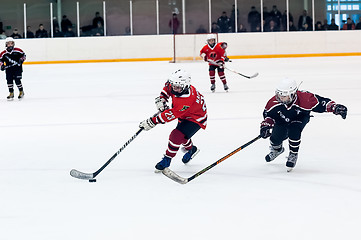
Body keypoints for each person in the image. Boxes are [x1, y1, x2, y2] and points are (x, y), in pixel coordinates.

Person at [260, 78, 347, 171]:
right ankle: (277, 150)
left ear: (292, 94)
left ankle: (293, 154)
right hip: (282, 120)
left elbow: (322, 103)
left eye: (284, 96)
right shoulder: (273, 102)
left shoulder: (306, 99)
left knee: (294, 131)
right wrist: (265, 126)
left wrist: (335, 107)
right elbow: (268, 115)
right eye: (279, 95)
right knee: (275, 138)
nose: (280, 98)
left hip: (299, 118)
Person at [139, 69, 207, 172]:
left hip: (196, 118)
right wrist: (162, 98)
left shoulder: (187, 99)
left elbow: (170, 115)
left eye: (178, 88)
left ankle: (167, 159)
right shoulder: (176, 84)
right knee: (182, 137)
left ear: (186, 86)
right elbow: (167, 87)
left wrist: (152, 121)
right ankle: (191, 149)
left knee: (176, 135)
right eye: (174, 86)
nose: (175, 89)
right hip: (185, 114)